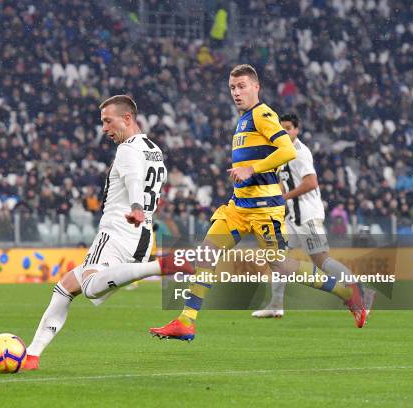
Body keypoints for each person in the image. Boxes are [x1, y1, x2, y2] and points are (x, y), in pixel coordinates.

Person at [149, 65, 369, 341]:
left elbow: (287, 150)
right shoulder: (242, 120)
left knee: (282, 265)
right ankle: (186, 321)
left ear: (256, 87)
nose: (236, 92)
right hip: (239, 206)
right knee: (207, 253)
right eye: (232, 87)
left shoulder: (263, 114)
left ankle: (347, 292)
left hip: (265, 209)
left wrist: (252, 169)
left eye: (242, 86)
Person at [22, 95, 193, 370]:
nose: (104, 128)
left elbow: (134, 179)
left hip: (118, 229)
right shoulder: (154, 149)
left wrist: (136, 206)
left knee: (90, 288)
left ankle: (159, 266)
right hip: (141, 234)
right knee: (65, 287)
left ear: (127, 118)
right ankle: (31, 355)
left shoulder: (127, 149)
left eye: (107, 121)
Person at [252, 113, 375, 318]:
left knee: (321, 260)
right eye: (282, 128)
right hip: (292, 218)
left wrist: (284, 197)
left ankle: (362, 292)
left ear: (297, 130)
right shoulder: (282, 152)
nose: (285, 131)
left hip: (308, 216)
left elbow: (311, 183)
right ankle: (275, 305)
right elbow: (284, 181)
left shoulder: (300, 153)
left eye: (289, 128)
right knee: (276, 257)